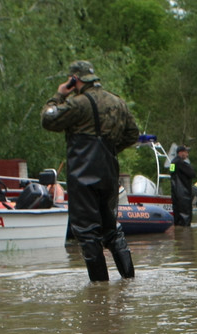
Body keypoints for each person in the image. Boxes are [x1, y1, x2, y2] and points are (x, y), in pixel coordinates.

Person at [41, 60, 140, 282]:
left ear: (75, 79)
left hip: (83, 172)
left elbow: (48, 119)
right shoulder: (118, 102)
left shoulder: (78, 103)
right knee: (111, 228)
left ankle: (99, 290)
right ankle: (129, 280)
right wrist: (110, 150)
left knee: (87, 232)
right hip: (109, 170)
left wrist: (58, 96)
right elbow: (133, 133)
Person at [168, 145, 195, 227]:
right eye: (186, 152)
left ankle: (178, 232)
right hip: (184, 194)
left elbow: (171, 173)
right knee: (185, 218)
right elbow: (192, 174)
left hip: (175, 193)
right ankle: (185, 234)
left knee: (177, 215)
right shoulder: (181, 163)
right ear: (181, 153)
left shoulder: (173, 162)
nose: (187, 154)